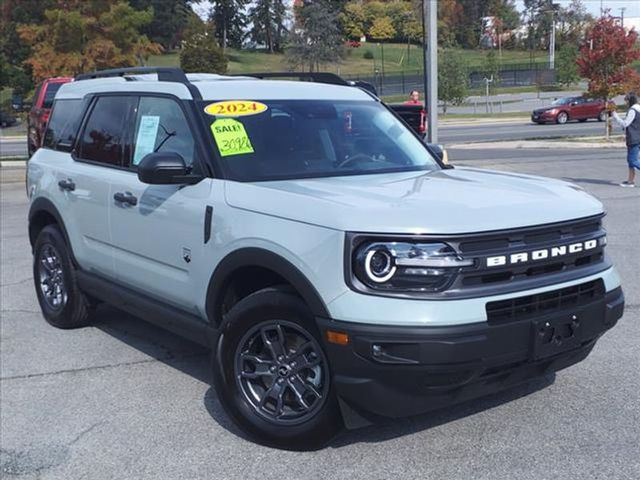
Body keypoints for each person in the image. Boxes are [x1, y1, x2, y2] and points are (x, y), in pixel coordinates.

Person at [612, 92, 640, 187]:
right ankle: (630, 181)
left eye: (626, 100)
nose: (626, 102)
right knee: (631, 160)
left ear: (630, 100)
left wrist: (615, 115)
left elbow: (625, 124)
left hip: (634, 138)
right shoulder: (638, 109)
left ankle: (630, 181)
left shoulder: (632, 110)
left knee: (633, 161)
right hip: (638, 137)